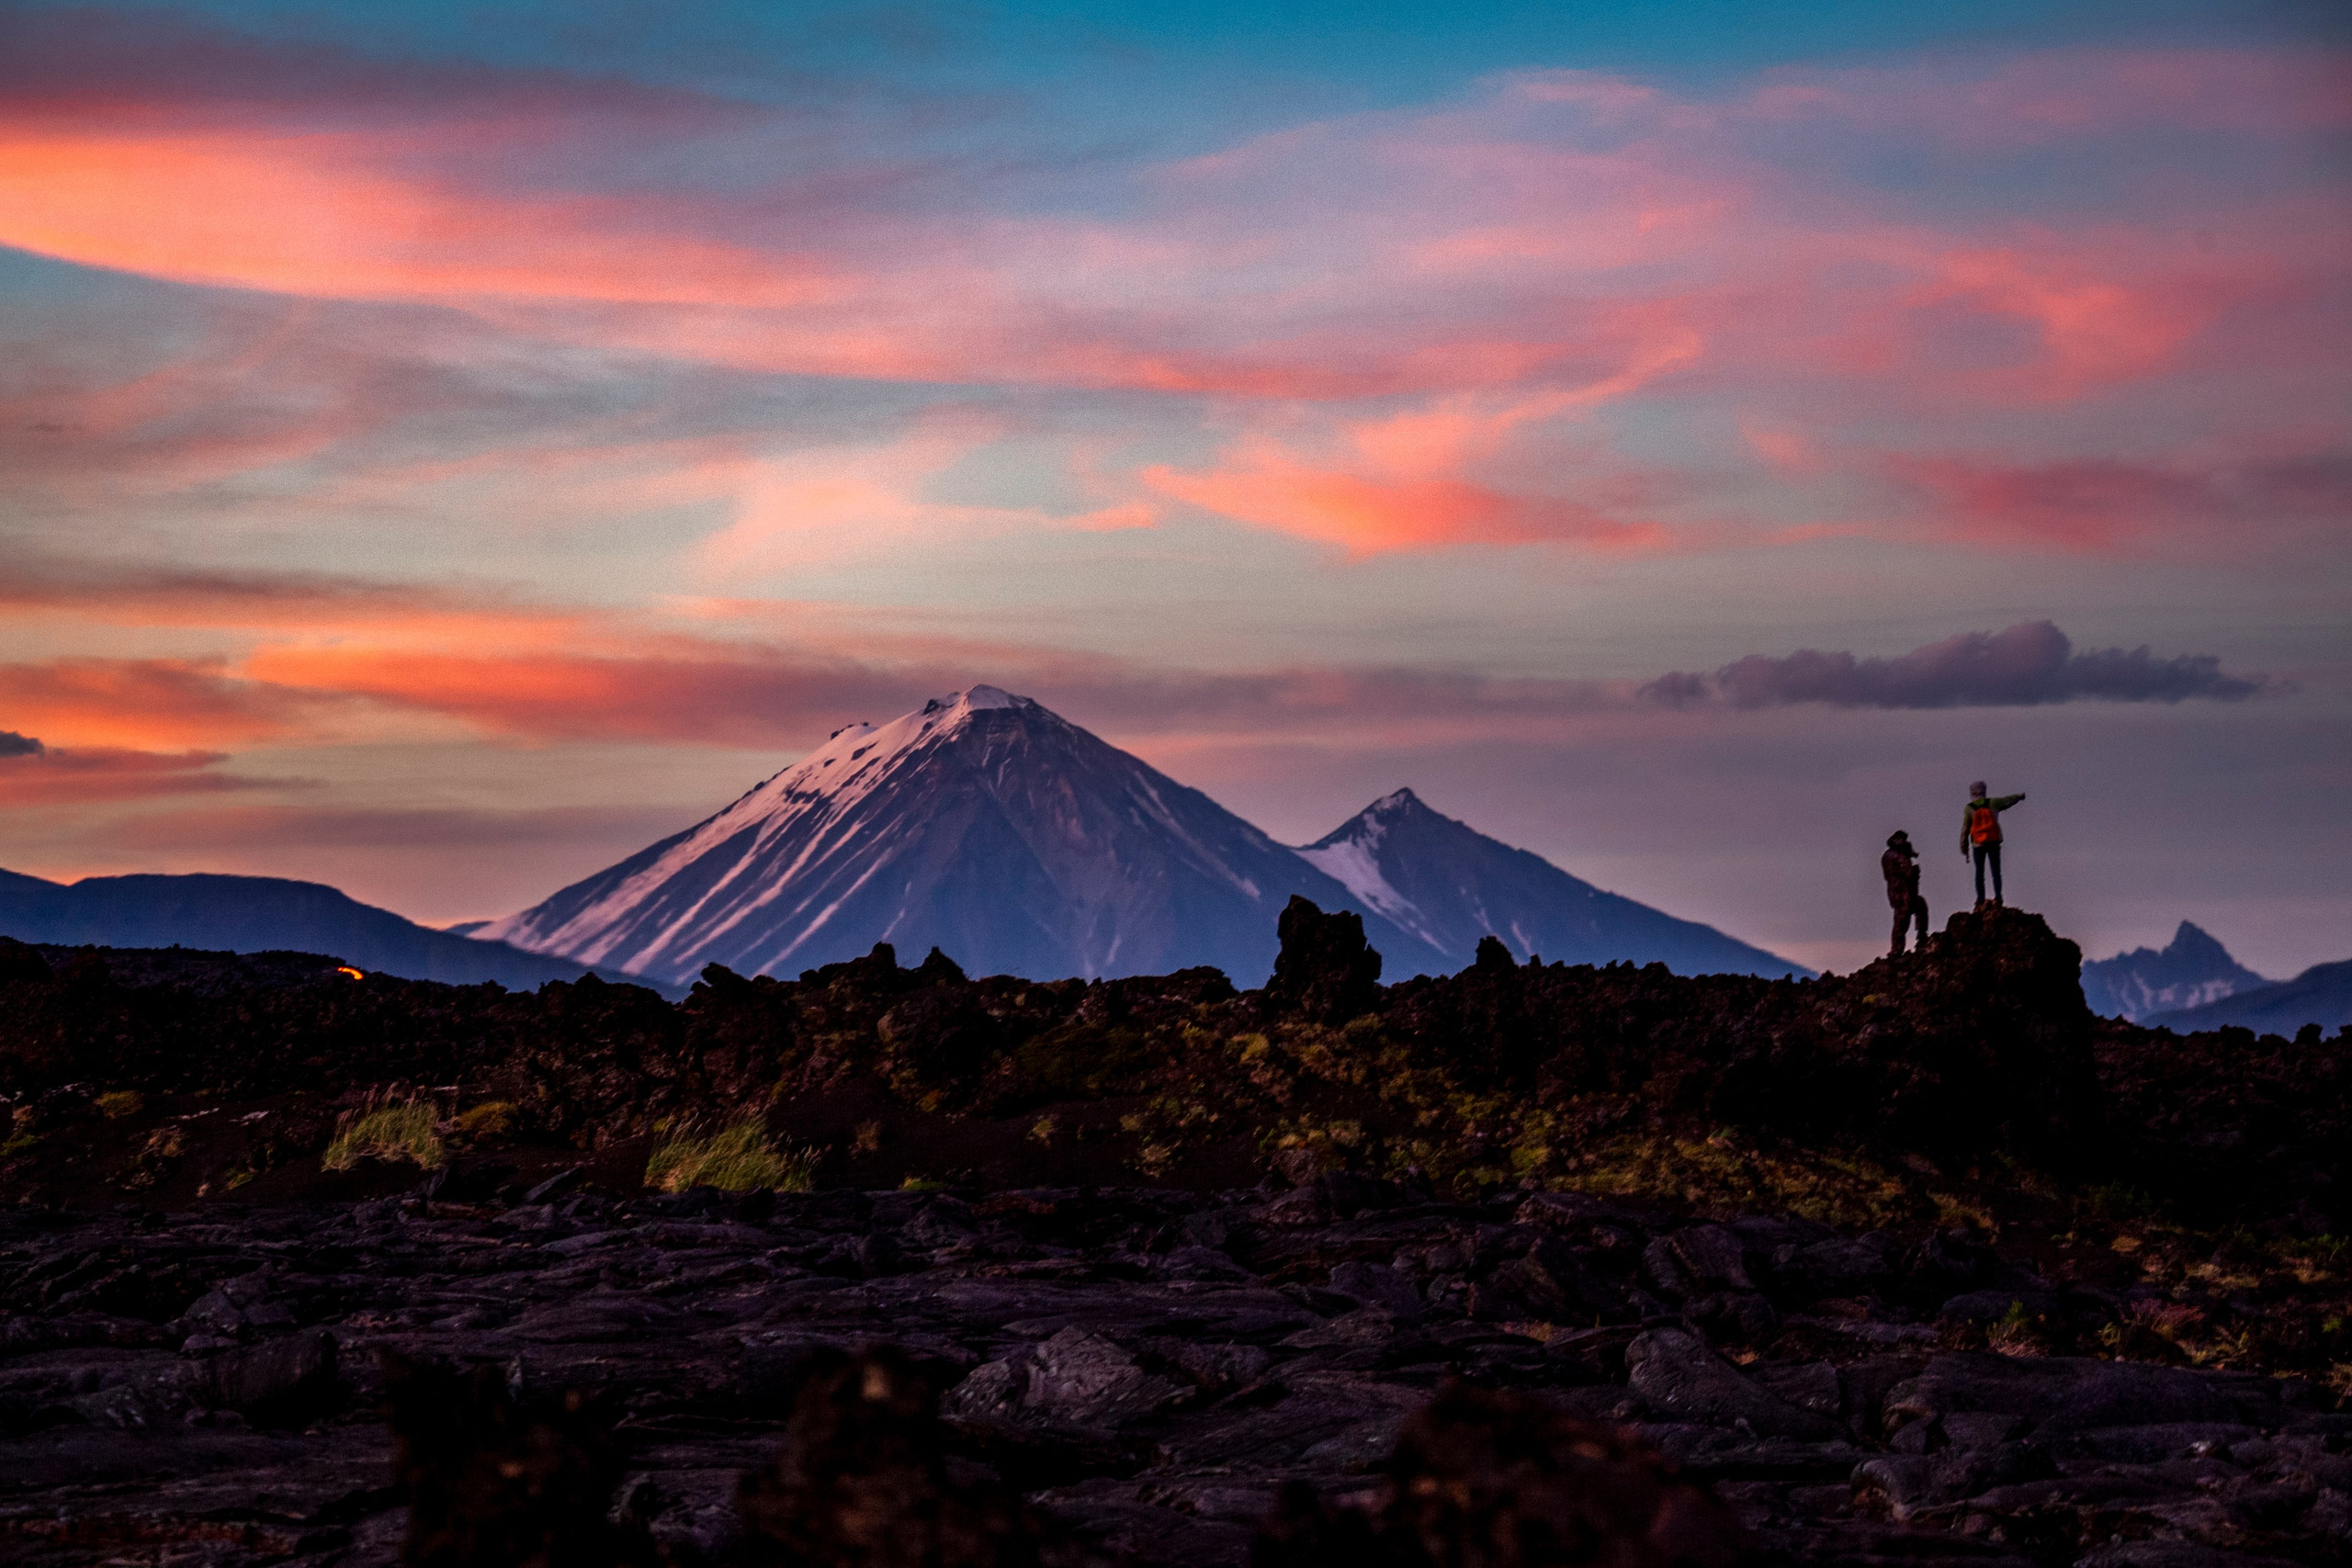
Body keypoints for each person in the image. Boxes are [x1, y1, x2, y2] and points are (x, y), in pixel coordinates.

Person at [1961, 781, 2026, 908]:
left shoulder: (1969, 809)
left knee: (1979, 873)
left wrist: (1964, 848)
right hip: (1994, 842)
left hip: (1978, 844)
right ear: (1984, 790)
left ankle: (1980, 900)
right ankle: (1998, 898)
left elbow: (1965, 830)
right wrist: (2019, 797)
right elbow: (2007, 801)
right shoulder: (1993, 803)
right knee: (1996, 872)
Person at [1882, 831, 1928, 955]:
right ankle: (1898, 949)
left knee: (1902, 919)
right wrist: (1914, 871)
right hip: (1904, 893)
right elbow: (1908, 873)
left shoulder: (1887, 856)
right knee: (1902, 921)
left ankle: (1897, 949)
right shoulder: (1899, 856)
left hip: (1895, 892)